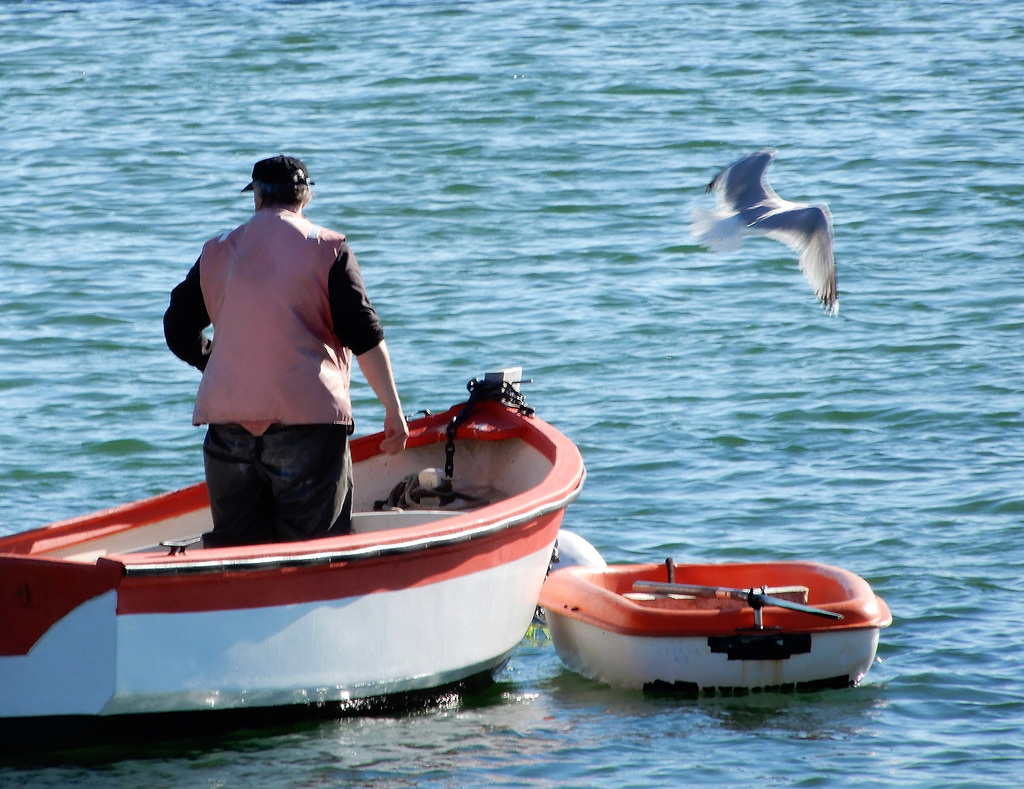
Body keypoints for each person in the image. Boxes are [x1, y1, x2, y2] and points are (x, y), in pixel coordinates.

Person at [164, 155, 409, 547]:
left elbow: (177, 326)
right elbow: (365, 335)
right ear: (305, 198)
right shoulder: (328, 249)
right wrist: (392, 409)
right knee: (314, 549)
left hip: (228, 423)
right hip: (309, 425)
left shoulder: (216, 251)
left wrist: (214, 361)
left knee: (238, 554)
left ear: (257, 197)